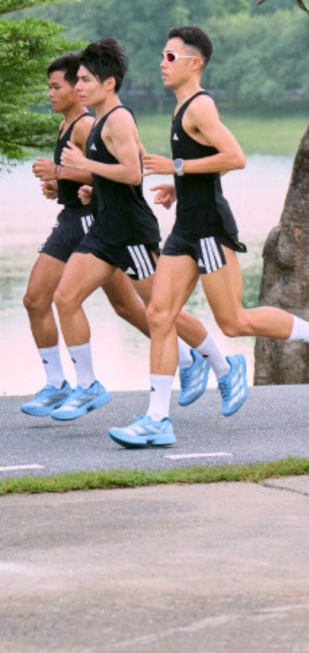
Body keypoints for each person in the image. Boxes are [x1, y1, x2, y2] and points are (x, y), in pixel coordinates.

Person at [108, 26, 309, 448]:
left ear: (196, 63)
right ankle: (157, 419)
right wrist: (180, 186)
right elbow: (209, 163)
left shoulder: (200, 106)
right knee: (159, 314)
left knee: (234, 321)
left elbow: (236, 157)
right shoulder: (181, 108)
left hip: (209, 229)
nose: (162, 64)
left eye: (170, 57)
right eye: (162, 56)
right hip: (186, 228)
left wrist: (176, 168)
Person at [51, 38, 227, 422]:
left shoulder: (118, 118)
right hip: (104, 230)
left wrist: (85, 166)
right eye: (77, 80)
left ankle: (218, 363)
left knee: (162, 310)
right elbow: (125, 168)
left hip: (131, 234)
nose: (79, 87)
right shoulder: (101, 120)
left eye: (85, 80)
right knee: (65, 297)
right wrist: (94, 188)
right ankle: (88, 385)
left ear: (108, 83)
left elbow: (133, 174)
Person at [20, 53, 180, 416]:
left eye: (58, 86)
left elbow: (116, 172)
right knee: (109, 305)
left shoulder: (89, 123)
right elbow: (91, 174)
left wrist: (61, 173)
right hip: (79, 217)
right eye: (54, 86)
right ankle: (61, 383)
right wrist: (59, 186)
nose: (53, 93)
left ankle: (198, 357)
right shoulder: (67, 124)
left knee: (144, 307)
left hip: (93, 220)